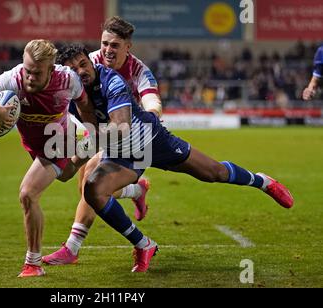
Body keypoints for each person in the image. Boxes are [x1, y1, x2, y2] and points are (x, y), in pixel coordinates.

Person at [45, 45, 294, 273]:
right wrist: (64, 162)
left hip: (152, 141)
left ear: (90, 62)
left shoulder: (111, 80)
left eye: (82, 64)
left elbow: (120, 126)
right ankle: (144, 244)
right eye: (73, 69)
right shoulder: (68, 94)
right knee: (92, 189)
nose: (81, 71)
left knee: (214, 173)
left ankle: (263, 182)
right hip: (121, 153)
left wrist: (85, 145)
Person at [0, 40, 97, 277]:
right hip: (34, 145)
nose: (30, 77)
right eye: (27, 70)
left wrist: (94, 130)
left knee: (28, 193)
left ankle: (32, 264)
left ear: (51, 70)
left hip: (58, 141)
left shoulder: (67, 80)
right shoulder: (13, 78)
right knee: (67, 176)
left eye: (37, 73)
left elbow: (85, 104)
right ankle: (134, 188)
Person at [43, 16, 163, 265]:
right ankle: (137, 190)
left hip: (130, 135)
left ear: (127, 47)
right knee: (86, 188)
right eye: (104, 44)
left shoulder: (139, 71)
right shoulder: (90, 61)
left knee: (92, 181)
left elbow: (152, 101)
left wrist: (151, 119)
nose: (108, 50)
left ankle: (72, 248)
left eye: (115, 45)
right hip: (99, 130)